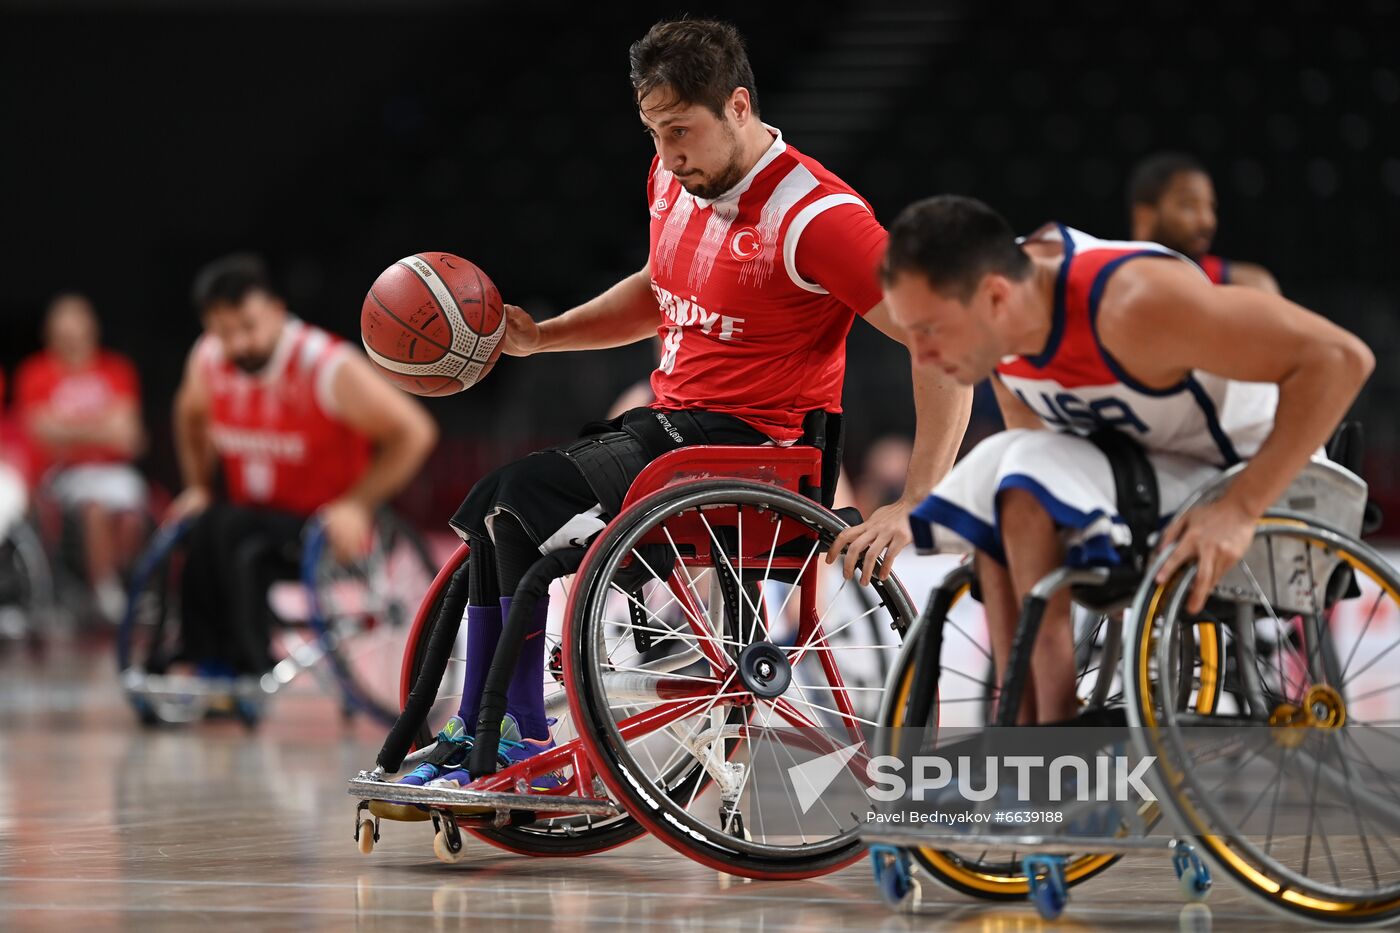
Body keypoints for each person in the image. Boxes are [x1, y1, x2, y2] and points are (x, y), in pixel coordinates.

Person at [393, 19, 972, 792]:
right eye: (652, 132)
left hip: (756, 455)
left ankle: (515, 736)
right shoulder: (673, 177)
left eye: (679, 131)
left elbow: (944, 344)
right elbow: (660, 289)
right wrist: (545, 338)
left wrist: (915, 500)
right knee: (497, 503)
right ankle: (488, 728)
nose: (666, 153)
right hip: (673, 435)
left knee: (526, 496)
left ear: (738, 106)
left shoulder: (818, 218)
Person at [885, 195, 1372, 724]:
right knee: (1006, 486)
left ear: (996, 297)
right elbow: (1039, 452)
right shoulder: (999, 322)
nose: (921, 355)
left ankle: (1050, 745)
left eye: (929, 331)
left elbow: (1341, 359)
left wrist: (1241, 507)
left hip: (1259, 479)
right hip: (1155, 476)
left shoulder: (1134, 303)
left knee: (1020, 480)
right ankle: (1027, 742)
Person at [168, 254, 436, 677]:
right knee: (201, 525)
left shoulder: (325, 365)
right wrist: (199, 485)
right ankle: (201, 657)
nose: (237, 344)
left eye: (248, 327)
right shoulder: (208, 358)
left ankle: (238, 666)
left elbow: (415, 433)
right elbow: (188, 415)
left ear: (276, 311)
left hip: (326, 531)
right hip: (253, 523)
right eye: (223, 332)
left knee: (228, 529)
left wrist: (358, 504)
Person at [14, 294, 147, 622]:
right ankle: (104, 592)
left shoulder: (116, 369)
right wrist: (102, 426)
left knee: (131, 515)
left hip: (115, 471)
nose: (73, 339)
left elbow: (130, 435)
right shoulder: (36, 372)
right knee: (95, 510)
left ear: (92, 330)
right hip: (61, 474)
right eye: (64, 332)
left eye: (78, 330)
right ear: (51, 334)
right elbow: (39, 430)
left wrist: (68, 428)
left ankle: (126, 583)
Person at [1127, 151, 1280, 293]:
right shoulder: (1113, 282)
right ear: (1144, 216)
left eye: (1211, 207)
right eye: (1189, 206)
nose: (1207, 221)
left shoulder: (1245, 284)